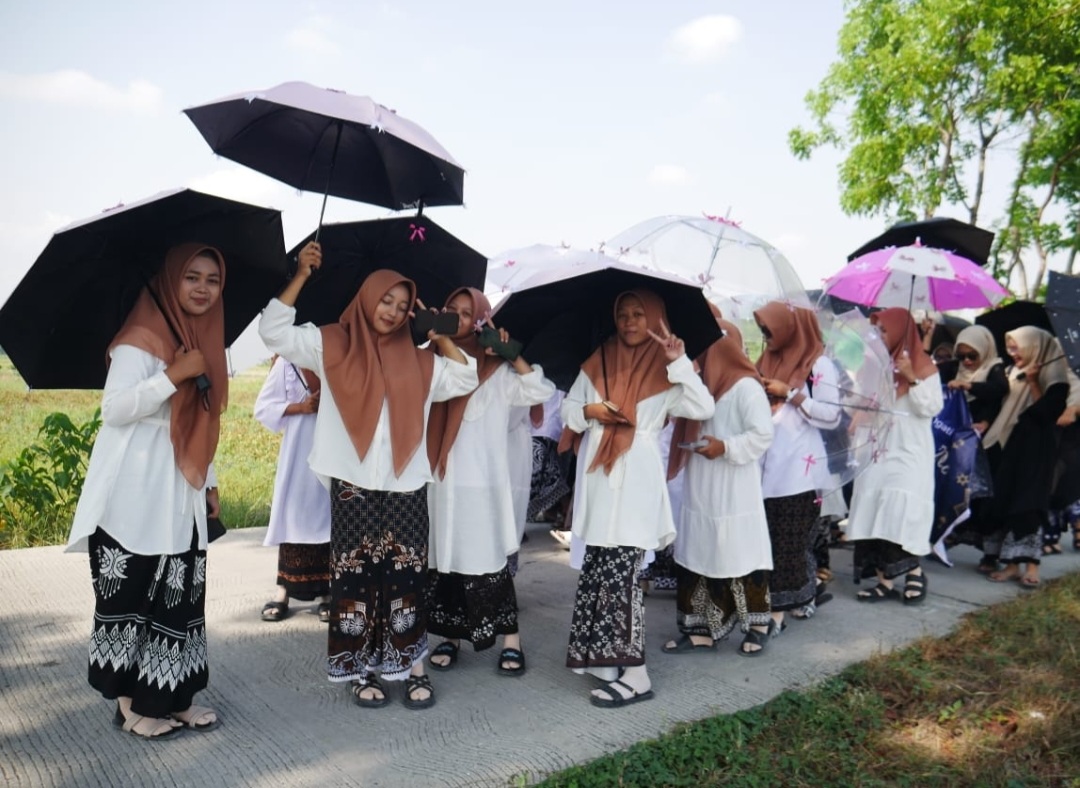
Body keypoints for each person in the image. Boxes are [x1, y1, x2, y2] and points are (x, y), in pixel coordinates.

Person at [258, 242, 478, 711]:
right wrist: (301, 275)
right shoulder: (330, 342)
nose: (392, 311)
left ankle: (412, 666)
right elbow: (273, 332)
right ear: (366, 297)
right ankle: (363, 669)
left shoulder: (420, 362)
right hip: (353, 486)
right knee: (355, 582)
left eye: (402, 306)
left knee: (406, 581)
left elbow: (465, 378)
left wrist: (437, 334)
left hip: (405, 486)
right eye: (386, 300)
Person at [68, 244, 226, 738]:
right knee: (132, 591)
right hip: (135, 489)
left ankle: (175, 698)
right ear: (170, 280)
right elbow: (114, 410)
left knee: (179, 593)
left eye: (213, 280)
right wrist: (170, 375)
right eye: (192, 277)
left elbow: (204, 416)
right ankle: (129, 706)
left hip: (182, 490)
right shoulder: (138, 341)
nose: (202, 288)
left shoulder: (200, 340)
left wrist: (212, 482)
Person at [559, 290, 714, 707]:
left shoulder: (668, 368)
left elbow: (702, 405)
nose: (629, 322)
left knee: (624, 578)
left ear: (656, 319)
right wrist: (593, 412)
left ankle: (637, 675)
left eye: (639, 315)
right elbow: (568, 411)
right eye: (623, 314)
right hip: (598, 477)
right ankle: (607, 665)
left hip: (636, 481)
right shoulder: (600, 359)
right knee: (599, 572)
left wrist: (679, 360)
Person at [425, 287, 556, 676]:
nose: (460, 318)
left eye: (469, 314)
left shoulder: (497, 371)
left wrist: (512, 356)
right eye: (453, 311)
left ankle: (511, 639)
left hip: (483, 486)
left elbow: (540, 391)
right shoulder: (431, 362)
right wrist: (435, 338)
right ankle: (450, 636)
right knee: (447, 562)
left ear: (481, 321)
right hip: (442, 483)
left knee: (489, 563)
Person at [663, 316, 776, 656]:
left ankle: (758, 624)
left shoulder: (746, 387)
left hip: (734, 488)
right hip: (702, 485)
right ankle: (700, 629)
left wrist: (724, 447)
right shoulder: (701, 386)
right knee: (700, 548)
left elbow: (762, 435)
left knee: (739, 550)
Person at [754, 302, 841, 632]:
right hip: (766, 467)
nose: (765, 337)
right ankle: (806, 595)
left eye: (769, 329)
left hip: (800, 472)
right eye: (761, 330)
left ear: (791, 327)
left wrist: (789, 393)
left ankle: (777, 614)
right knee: (779, 542)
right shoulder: (766, 360)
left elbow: (832, 416)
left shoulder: (818, 365)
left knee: (786, 543)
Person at [847, 308, 943, 604]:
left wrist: (911, 377)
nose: (878, 336)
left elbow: (931, 407)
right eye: (875, 330)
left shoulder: (924, 366)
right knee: (876, 510)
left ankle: (914, 572)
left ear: (901, 331)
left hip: (908, 452)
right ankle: (884, 580)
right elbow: (856, 402)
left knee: (901, 512)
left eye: (884, 330)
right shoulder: (873, 365)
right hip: (876, 450)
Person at [979, 327, 1070, 586]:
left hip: (1039, 449)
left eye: (1018, 346)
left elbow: (1045, 415)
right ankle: (1011, 565)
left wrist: (1033, 382)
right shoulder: (1014, 373)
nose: (1013, 353)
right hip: (1014, 445)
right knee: (1008, 500)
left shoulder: (1056, 378)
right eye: (1010, 347)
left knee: (1030, 504)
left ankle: (1032, 567)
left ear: (1035, 346)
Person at [254, 355, 331, 622]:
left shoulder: (336, 355)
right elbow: (263, 407)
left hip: (332, 447)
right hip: (298, 451)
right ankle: (282, 591)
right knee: (293, 515)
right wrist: (301, 407)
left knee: (328, 516)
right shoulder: (286, 363)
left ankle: (327, 594)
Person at [937, 325, 1009, 570]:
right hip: (957, 441)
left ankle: (990, 555)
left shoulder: (994, 368)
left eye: (972, 356)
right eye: (962, 356)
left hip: (987, 442)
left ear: (985, 351)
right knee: (953, 489)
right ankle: (944, 537)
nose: (966, 361)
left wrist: (970, 387)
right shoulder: (952, 369)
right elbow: (930, 377)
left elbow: (1000, 392)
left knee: (985, 498)